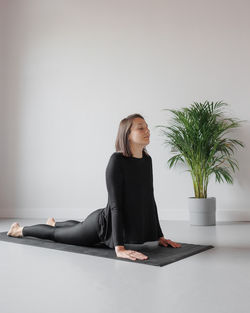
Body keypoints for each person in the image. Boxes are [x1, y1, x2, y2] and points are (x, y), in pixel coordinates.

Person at [7, 113, 181, 261]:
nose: (147, 131)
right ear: (127, 134)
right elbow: (116, 205)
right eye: (141, 128)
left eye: (147, 127)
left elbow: (149, 198)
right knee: (56, 236)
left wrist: (160, 236)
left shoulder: (146, 160)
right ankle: (19, 230)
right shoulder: (117, 161)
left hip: (103, 218)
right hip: (101, 226)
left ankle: (54, 223)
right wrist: (119, 248)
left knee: (74, 228)